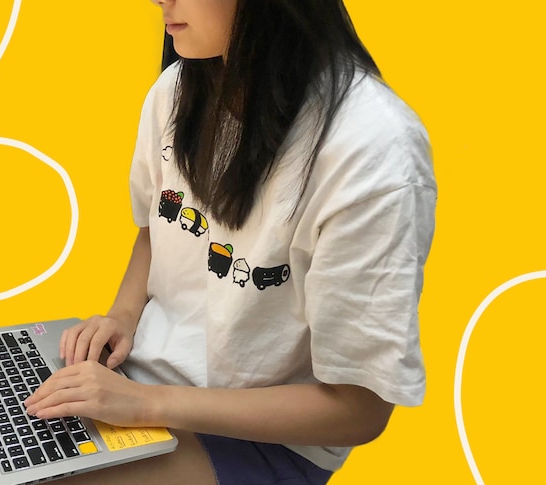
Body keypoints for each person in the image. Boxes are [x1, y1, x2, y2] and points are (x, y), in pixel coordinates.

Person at [25, 0, 436, 483]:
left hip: (267, 441)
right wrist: (122, 315)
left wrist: (148, 403)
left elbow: (359, 410)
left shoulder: (373, 152)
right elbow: (156, 228)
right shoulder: (177, 88)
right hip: (140, 383)